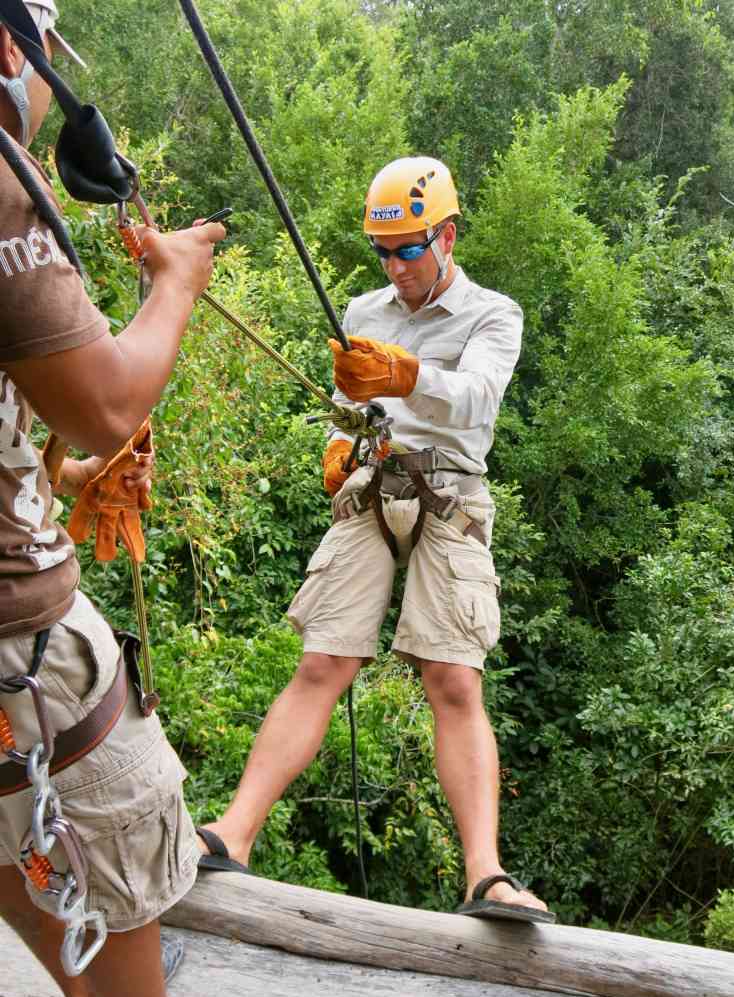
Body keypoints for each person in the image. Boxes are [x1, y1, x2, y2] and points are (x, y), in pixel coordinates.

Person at [0, 4, 274, 997]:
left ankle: (85, 995)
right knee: (101, 805)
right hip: (16, 630)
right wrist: (174, 285)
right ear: (11, 50)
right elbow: (106, 402)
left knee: (12, 818)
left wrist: (49, 472)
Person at [197, 156, 554, 923]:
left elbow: (476, 398)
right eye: (383, 253)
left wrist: (403, 376)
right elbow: (346, 404)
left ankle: (485, 875)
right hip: (373, 482)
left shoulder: (494, 314)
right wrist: (338, 439)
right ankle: (234, 833)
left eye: (409, 250)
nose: (395, 267)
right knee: (324, 660)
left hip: (452, 491)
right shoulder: (364, 310)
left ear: (446, 237)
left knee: (453, 680)